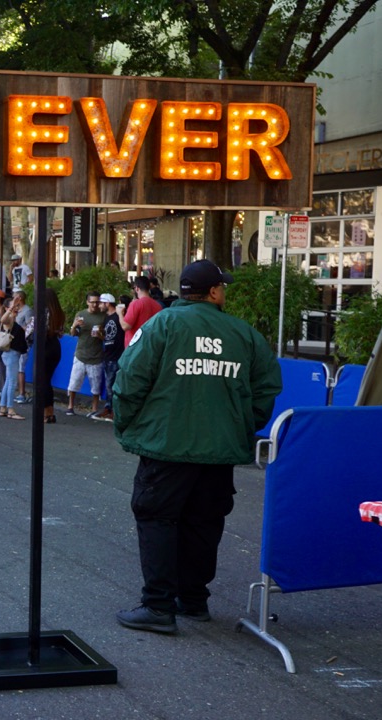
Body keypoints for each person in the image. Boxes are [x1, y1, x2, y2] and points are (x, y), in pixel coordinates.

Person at [111, 259, 282, 634]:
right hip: (219, 451)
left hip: (166, 446)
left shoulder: (162, 325)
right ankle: (193, 599)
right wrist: (239, 425)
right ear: (215, 292)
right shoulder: (243, 333)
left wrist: (128, 424)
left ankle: (157, 606)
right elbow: (266, 389)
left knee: (157, 517)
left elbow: (129, 379)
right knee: (205, 522)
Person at [66, 293, 106, 417]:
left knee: (96, 386)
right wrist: (75, 326)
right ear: (87, 302)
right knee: (74, 383)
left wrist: (100, 335)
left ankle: (94, 408)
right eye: (92, 302)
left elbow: (106, 337)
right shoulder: (81, 315)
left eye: (97, 302)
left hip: (96, 355)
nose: (95, 305)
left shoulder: (103, 316)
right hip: (81, 354)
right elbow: (73, 333)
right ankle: (70, 406)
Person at [33, 288, 65, 424]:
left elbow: (35, 330)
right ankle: (50, 412)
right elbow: (61, 332)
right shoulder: (59, 313)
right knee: (47, 380)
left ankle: (45, 412)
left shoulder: (43, 312)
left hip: (44, 345)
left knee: (42, 381)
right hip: (55, 346)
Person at [93, 293, 123, 421]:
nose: (99, 305)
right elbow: (108, 337)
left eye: (101, 303)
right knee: (108, 385)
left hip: (116, 356)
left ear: (107, 303)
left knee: (112, 385)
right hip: (107, 355)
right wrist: (100, 335)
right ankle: (108, 408)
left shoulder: (118, 316)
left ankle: (113, 411)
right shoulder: (106, 318)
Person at [0, 305, 27, 421]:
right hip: (11, 353)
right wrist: (10, 309)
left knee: (9, 381)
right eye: (13, 307)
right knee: (12, 381)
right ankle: (10, 409)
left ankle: (3, 407)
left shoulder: (13, 321)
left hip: (11, 353)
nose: (16, 309)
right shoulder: (8, 321)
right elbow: (2, 320)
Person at [121, 276, 162, 345]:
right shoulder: (158, 305)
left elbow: (125, 326)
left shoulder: (136, 304)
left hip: (134, 347)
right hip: (151, 345)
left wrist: (119, 314)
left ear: (137, 288)